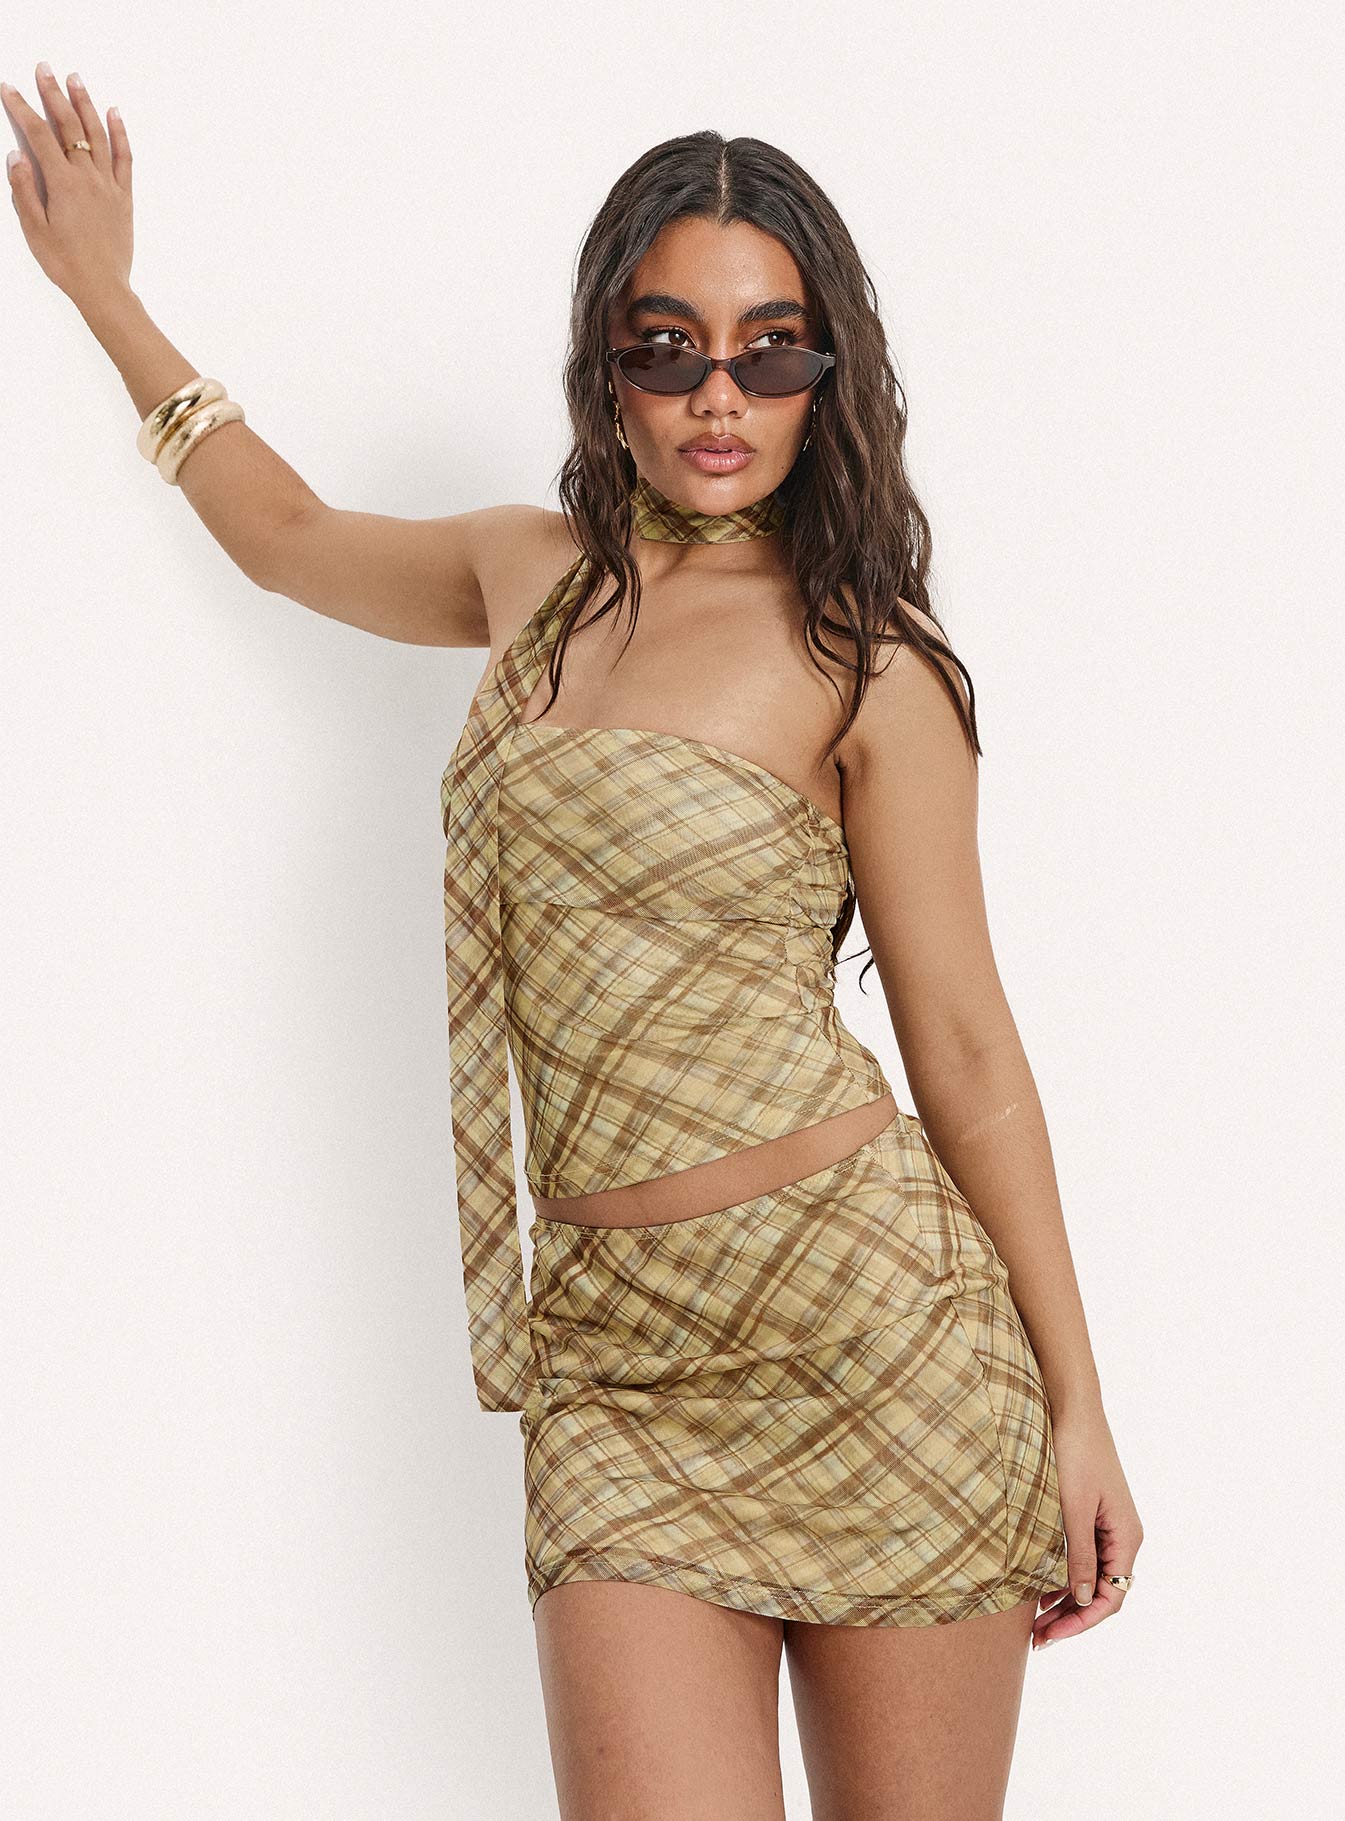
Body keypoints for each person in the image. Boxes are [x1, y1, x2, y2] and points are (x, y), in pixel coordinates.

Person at [5, 68, 1143, 1819]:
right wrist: (106, 295)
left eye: (768, 352)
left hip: (879, 1337)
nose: (716, 396)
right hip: (615, 1363)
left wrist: (1077, 1406)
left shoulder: (871, 664)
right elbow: (286, 539)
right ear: (604, 366)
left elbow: (965, 1047)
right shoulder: (528, 577)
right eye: (665, 347)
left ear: (826, 376)